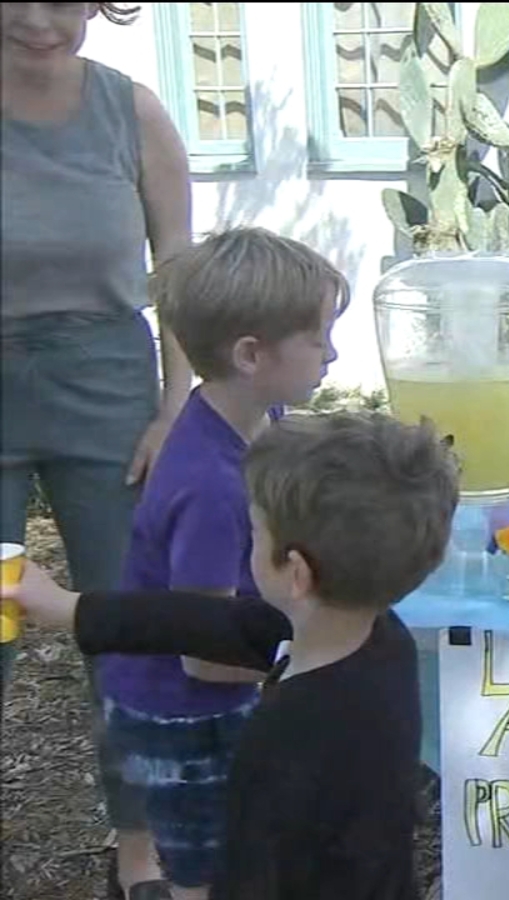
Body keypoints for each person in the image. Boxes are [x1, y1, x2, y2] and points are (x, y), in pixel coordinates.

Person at [1, 410, 460, 900]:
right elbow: (220, 623)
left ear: (296, 573)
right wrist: (70, 608)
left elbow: (251, 873)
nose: (248, 542)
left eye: (256, 532)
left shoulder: (286, 732)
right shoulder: (382, 639)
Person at [90, 228, 348, 900]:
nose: (334, 353)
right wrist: (310, 662)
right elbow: (199, 652)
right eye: (318, 338)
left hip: (221, 691)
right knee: (207, 870)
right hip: (181, 712)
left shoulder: (259, 416)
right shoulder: (208, 485)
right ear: (250, 355)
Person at [1, 4, 195, 895]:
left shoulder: (134, 112)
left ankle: (139, 850)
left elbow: (179, 270)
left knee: (127, 628)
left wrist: (172, 410)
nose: (42, 21)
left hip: (109, 387)